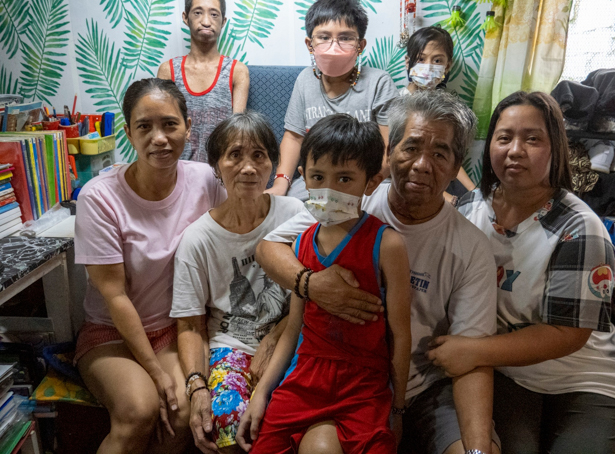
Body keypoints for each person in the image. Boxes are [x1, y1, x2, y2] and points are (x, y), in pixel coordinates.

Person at [256, 91, 501, 454]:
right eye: (411, 147)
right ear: (390, 153)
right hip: (335, 377)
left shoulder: (471, 247)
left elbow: (472, 357)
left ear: (456, 166)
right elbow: (267, 249)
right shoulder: (344, 199)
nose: (421, 164)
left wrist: (477, 449)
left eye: (439, 154)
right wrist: (312, 285)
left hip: (427, 386)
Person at [435, 91, 615, 453]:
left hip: (585, 379)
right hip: (510, 374)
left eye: (532, 139)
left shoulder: (580, 227)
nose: (515, 150)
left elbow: (566, 334)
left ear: (555, 148)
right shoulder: (469, 209)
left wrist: (473, 351)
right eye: (504, 137)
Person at [236, 114, 411, 453]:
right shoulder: (301, 243)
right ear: (304, 177)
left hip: (365, 385)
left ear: (370, 183)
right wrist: (261, 395)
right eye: (318, 177)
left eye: (344, 178)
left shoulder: (388, 245)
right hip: (305, 377)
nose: (329, 190)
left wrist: (398, 407)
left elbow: (400, 335)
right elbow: (294, 329)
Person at [73, 78, 226, 453]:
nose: (159, 137)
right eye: (145, 126)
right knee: (139, 410)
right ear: (128, 133)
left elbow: (234, 232)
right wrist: (155, 372)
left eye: (170, 124)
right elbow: (115, 296)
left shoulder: (204, 179)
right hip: (112, 333)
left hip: (176, 329)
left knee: (181, 409)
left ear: (188, 128)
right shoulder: (100, 197)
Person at [170, 111, 305, 454]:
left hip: (294, 336)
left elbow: (313, 293)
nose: (248, 167)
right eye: (234, 155)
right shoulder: (197, 239)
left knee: (289, 417)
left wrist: (276, 336)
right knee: (227, 420)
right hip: (230, 346)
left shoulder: (296, 216)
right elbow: (188, 324)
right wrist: (198, 387)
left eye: (259, 155)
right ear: (216, 166)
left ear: (274, 164)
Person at [266, 0, 399, 200]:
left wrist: (362, 186)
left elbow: (390, 148)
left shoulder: (379, 82)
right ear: (310, 44)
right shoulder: (304, 81)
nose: (334, 46)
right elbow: (294, 137)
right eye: (324, 37)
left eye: (345, 38)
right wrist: (281, 183)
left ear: (360, 46)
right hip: (316, 181)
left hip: (368, 184)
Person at [158, 0, 249, 163]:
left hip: (220, 169)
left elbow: (237, 132)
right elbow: (162, 128)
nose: (206, 21)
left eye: (214, 14)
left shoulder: (237, 71)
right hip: (177, 170)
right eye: (198, 13)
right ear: (186, 17)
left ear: (223, 21)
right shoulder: (168, 71)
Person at [403, 25, 475, 203]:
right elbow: (403, 164)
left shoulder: (448, 107)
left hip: (443, 176)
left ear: (447, 66)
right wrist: (446, 198)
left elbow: (451, 157)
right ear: (408, 62)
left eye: (437, 61)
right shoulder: (398, 106)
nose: (428, 67)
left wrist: (474, 192)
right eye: (420, 59)